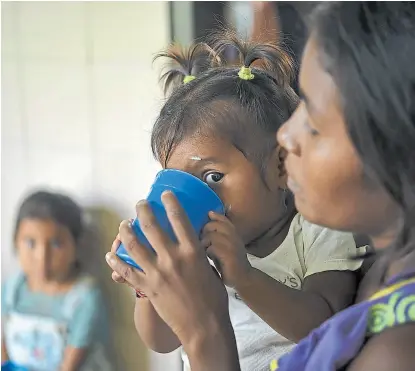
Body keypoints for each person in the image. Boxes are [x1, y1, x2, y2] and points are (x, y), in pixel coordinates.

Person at [105, 2, 415, 371]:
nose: (287, 137)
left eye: (312, 116)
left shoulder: (319, 236)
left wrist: (239, 286)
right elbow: (161, 340)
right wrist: (150, 283)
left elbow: (321, 323)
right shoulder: (198, 247)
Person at [2, 191, 112, 371]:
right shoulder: (11, 289)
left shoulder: (84, 298)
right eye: (30, 243)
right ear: (15, 242)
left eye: (56, 244)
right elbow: (4, 351)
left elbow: (68, 367)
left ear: (76, 246)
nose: (42, 257)